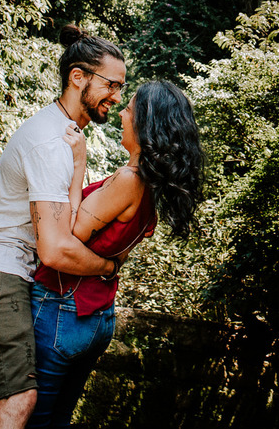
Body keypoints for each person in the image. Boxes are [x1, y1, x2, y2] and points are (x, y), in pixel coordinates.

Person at [0, 26, 128, 429]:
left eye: (121, 88)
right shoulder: (49, 142)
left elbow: (65, 224)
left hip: (12, 272)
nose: (116, 97)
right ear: (77, 77)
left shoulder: (65, 136)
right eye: (111, 85)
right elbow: (54, 248)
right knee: (19, 397)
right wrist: (107, 268)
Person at [27, 80, 205, 429]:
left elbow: (70, 233)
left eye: (130, 108)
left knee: (34, 418)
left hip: (63, 307)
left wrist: (79, 162)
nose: (121, 112)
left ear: (145, 123)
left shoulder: (130, 178)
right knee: (57, 420)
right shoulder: (151, 184)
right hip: (95, 315)